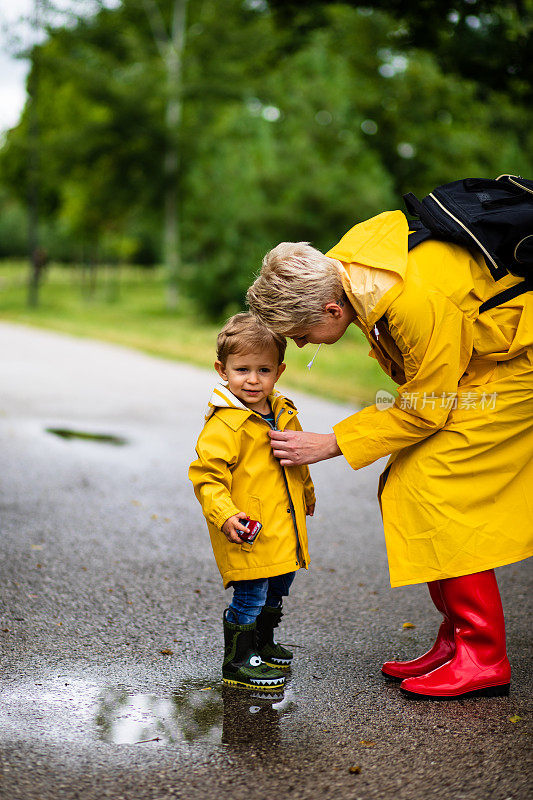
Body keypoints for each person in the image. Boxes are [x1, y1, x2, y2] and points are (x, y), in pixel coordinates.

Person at [246, 209, 533, 700]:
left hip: (520, 362)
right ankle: (456, 642)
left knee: (433, 483)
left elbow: (426, 409)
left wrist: (332, 442)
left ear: (332, 311)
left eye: (301, 334)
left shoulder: (408, 299)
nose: (299, 343)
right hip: (484, 357)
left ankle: (484, 657)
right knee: (407, 482)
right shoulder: (344, 271)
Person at [189, 312, 315, 691]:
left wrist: (307, 492)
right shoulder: (226, 424)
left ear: (279, 371)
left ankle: (263, 642)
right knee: (251, 594)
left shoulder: (283, 411)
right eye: (242, 369)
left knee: (278, 584)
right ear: (221, 369)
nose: (253, 379)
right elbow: (207, 477)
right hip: (249, 527)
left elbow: (297, 458)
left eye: (263, 370)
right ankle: (239, 662)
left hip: (284, 524)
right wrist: (225, 515)